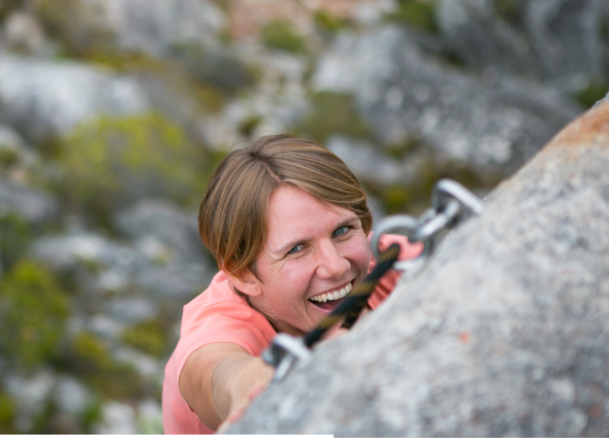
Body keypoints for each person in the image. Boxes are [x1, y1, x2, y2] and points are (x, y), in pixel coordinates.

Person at [162, 134, 422, 434]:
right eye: (297, 249)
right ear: (243, 274)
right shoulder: (215, 333)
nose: (336, 266)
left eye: (342, 230)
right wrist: (252, 384)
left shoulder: (391, 264)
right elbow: (216, 376)